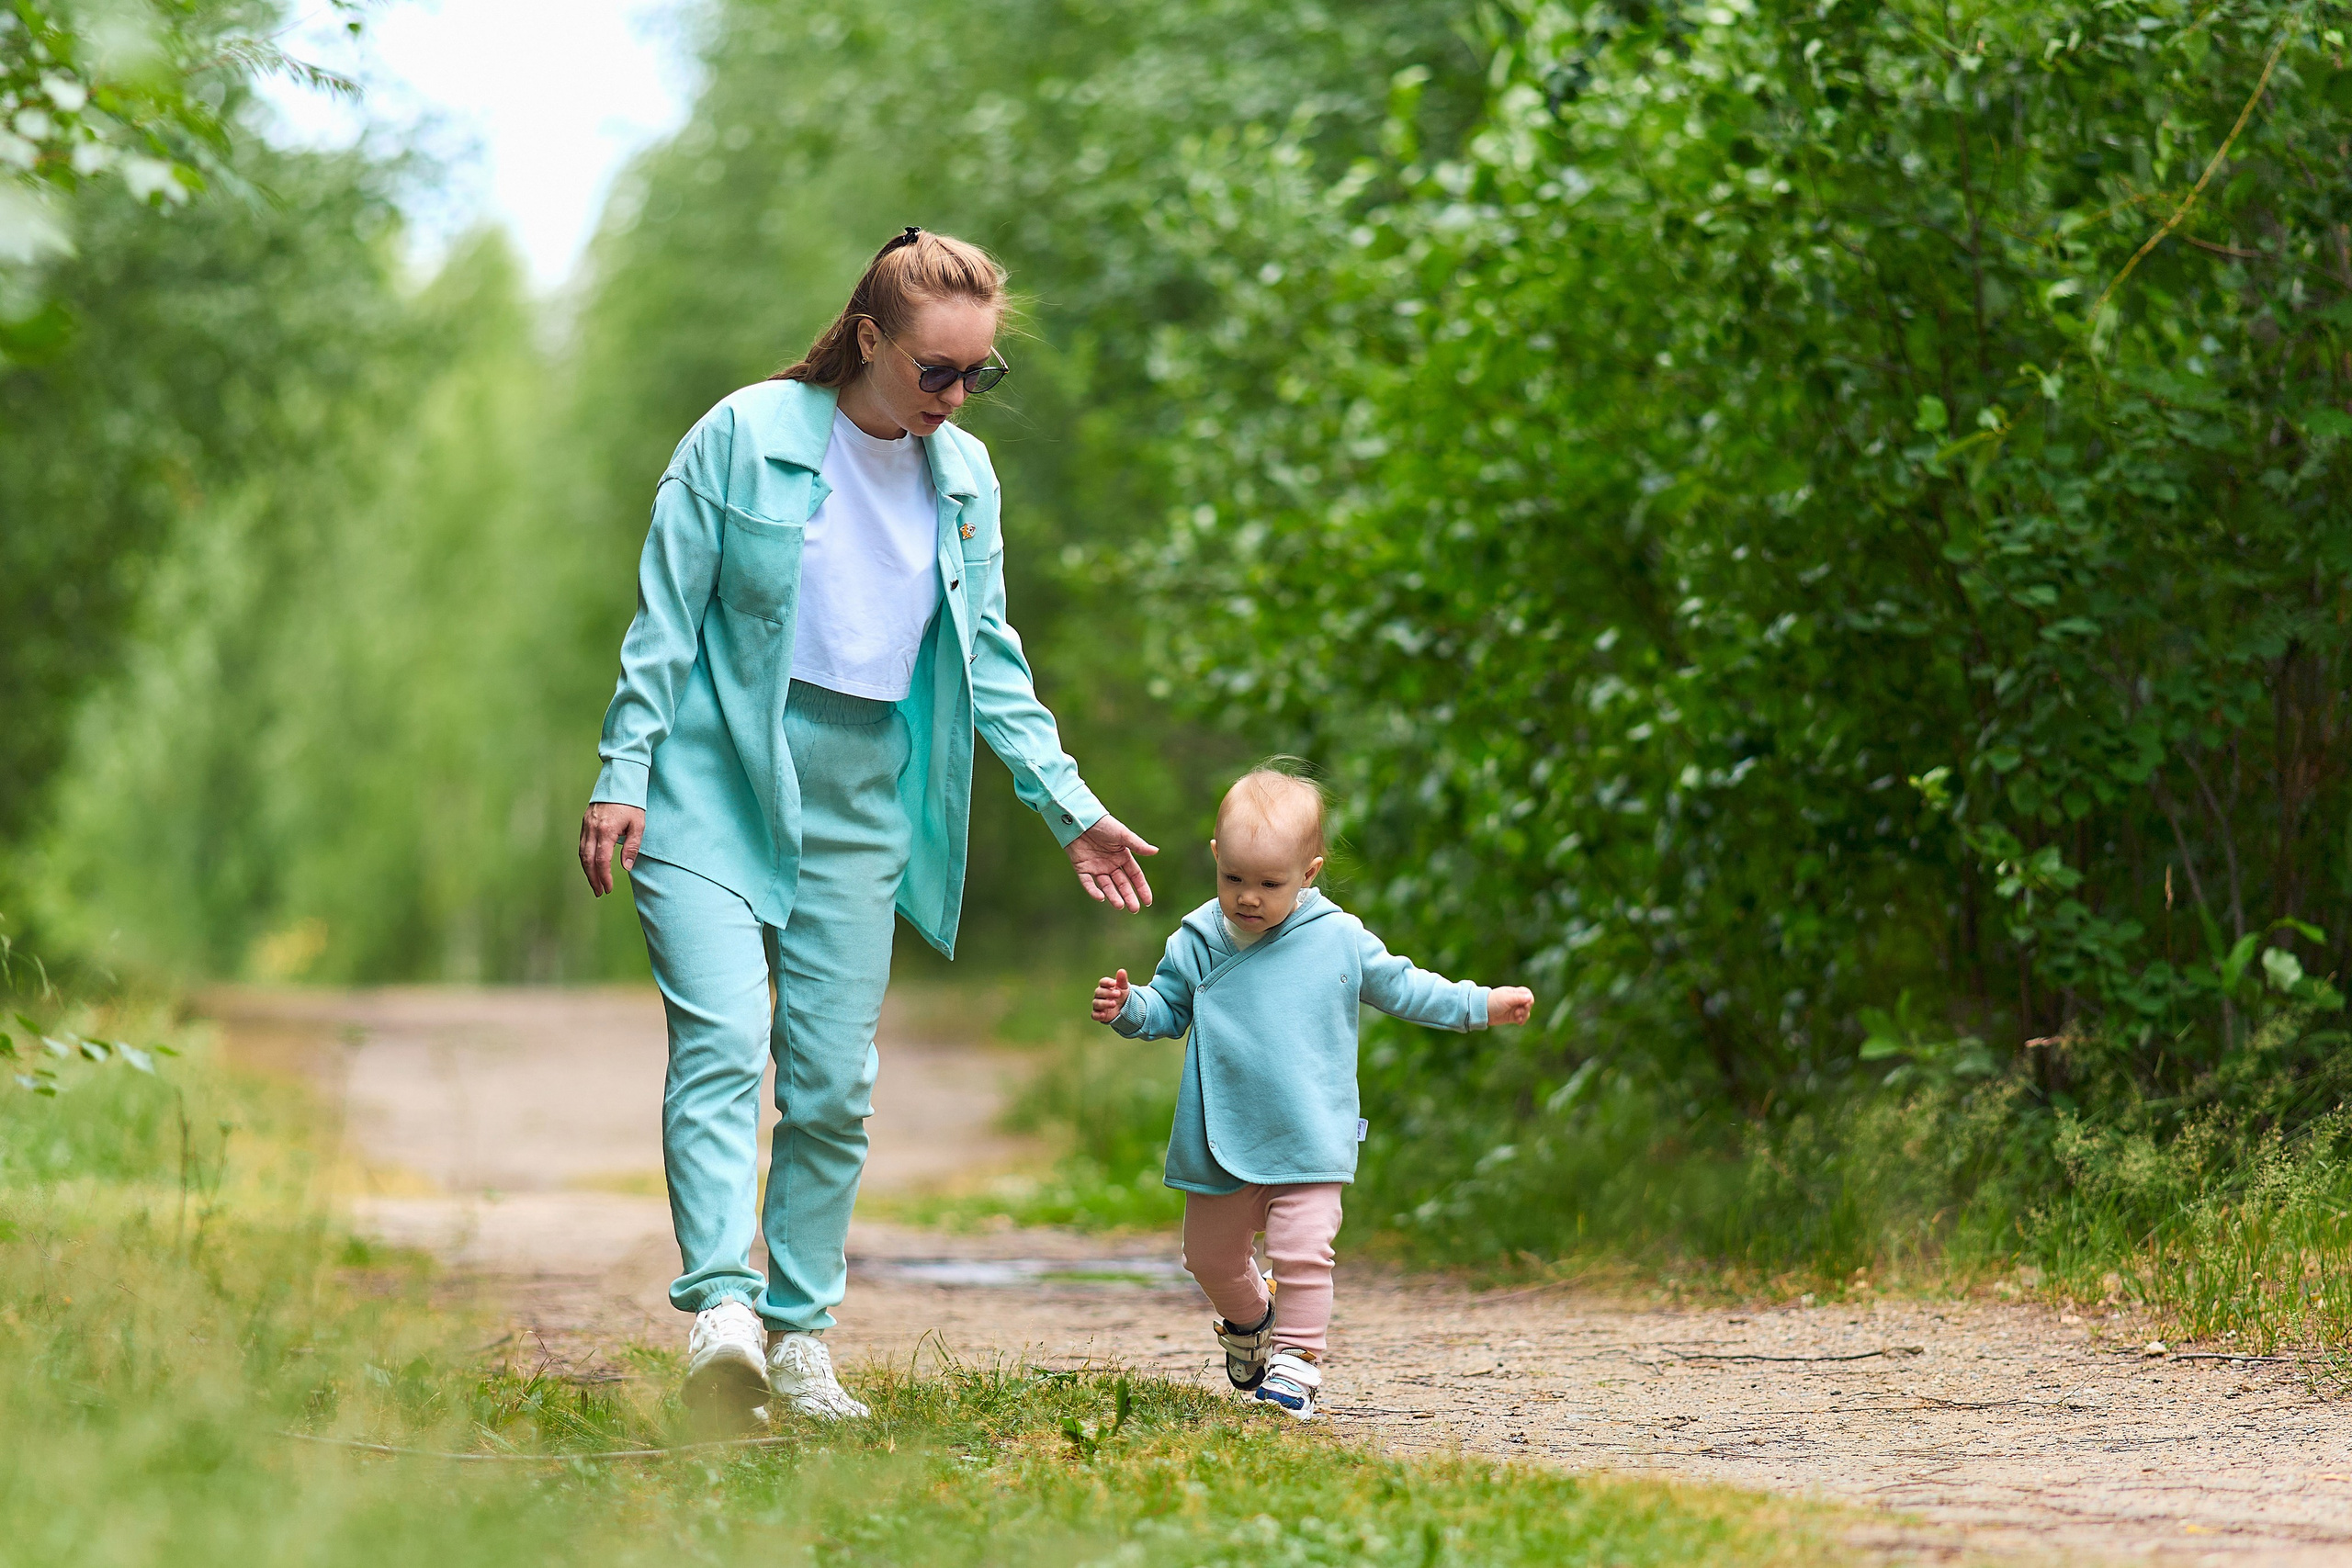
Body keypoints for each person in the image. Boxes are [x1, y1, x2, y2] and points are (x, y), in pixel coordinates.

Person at [578, 227, 1159, 1426]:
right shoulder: (741, 437)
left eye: (976, 375)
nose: (953, 397)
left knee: (835, 1085)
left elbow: (991, 662)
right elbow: (664, 618)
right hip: (714, 776)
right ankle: (722, 1315)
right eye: (934, 370)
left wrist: (1072, 808)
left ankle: (800, 1338)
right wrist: (621, 769)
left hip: (858, 799)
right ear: (868, 340)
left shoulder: (963, 481)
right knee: (726, 1040)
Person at [1089, 764, 1534, 1421]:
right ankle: (1250, 1322)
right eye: (1233, 878)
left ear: (1310, 871)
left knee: (1304, 1251)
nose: (1248, 897)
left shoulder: (1338, 939)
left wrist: (1482, 1004)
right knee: (1208, 1256)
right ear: (1216, 858)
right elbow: (1168, 1011)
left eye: (1270, 883)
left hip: (1308, 1131)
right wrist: (1130, 1006)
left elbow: (1407, 986)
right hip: (1221, 1134)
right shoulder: (1197, 939)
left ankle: (1296, 1363)